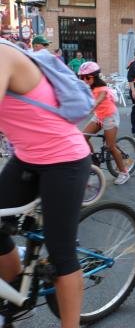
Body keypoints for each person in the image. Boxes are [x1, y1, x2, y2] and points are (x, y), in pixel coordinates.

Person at [0, 40, 91, 327]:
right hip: (27, 158)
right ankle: (17, 296)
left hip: (65, 160)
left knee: (61, 255)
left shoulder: (2, 56)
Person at [78, 62, 130, 185]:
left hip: (110, 116)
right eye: (81, 77)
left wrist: (88, 108)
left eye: (87, 77)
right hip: (99, 116)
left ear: (95, 76)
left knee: (110, 146)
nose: (84, 80)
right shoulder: (87, 87)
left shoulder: (102, 88)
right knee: (82, 137)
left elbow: (98, 101)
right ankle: (94, 161)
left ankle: (124, 172)